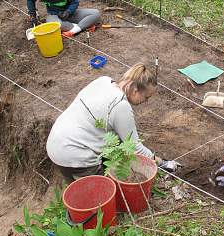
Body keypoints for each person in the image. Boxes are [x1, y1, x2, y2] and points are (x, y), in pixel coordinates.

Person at [46, 63, 179, 183]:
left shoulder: (103, 81)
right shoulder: (120, 105)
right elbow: (134, 148)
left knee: (79, 191)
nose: (146, 101)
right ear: (135, 91)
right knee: (101, 196)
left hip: (56, 144)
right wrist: (162, 163)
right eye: (146, 97)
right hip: (76, 155)